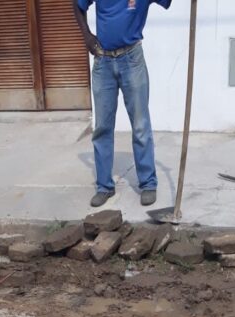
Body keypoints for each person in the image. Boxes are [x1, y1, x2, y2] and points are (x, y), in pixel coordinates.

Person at [74, 0, 172, 208]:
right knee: (102, 128)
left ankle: (148, 183)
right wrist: (87, 36)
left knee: (140, 124)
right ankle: (104, 187)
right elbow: (78, 5)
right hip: (103, 62)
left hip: (132, 60)